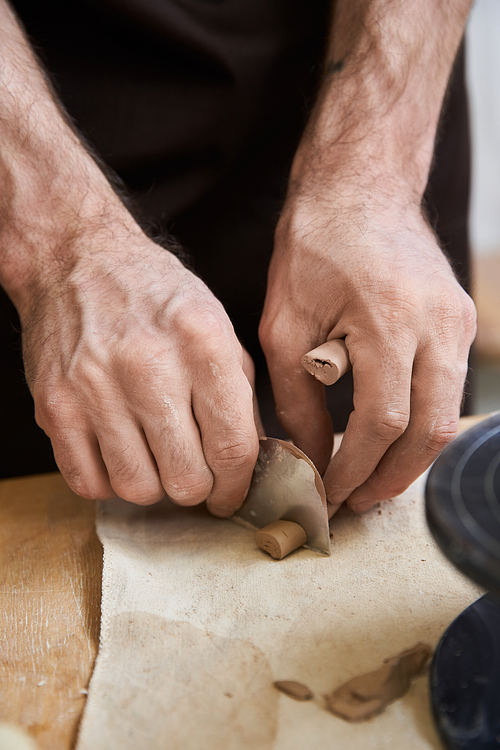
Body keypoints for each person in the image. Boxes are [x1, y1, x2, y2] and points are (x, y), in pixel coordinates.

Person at [0, 0, 476, 518]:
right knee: (80, 490)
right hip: (45, 113)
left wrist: (376, 173)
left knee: (391, 428)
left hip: (374, 75)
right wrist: (59, 247)